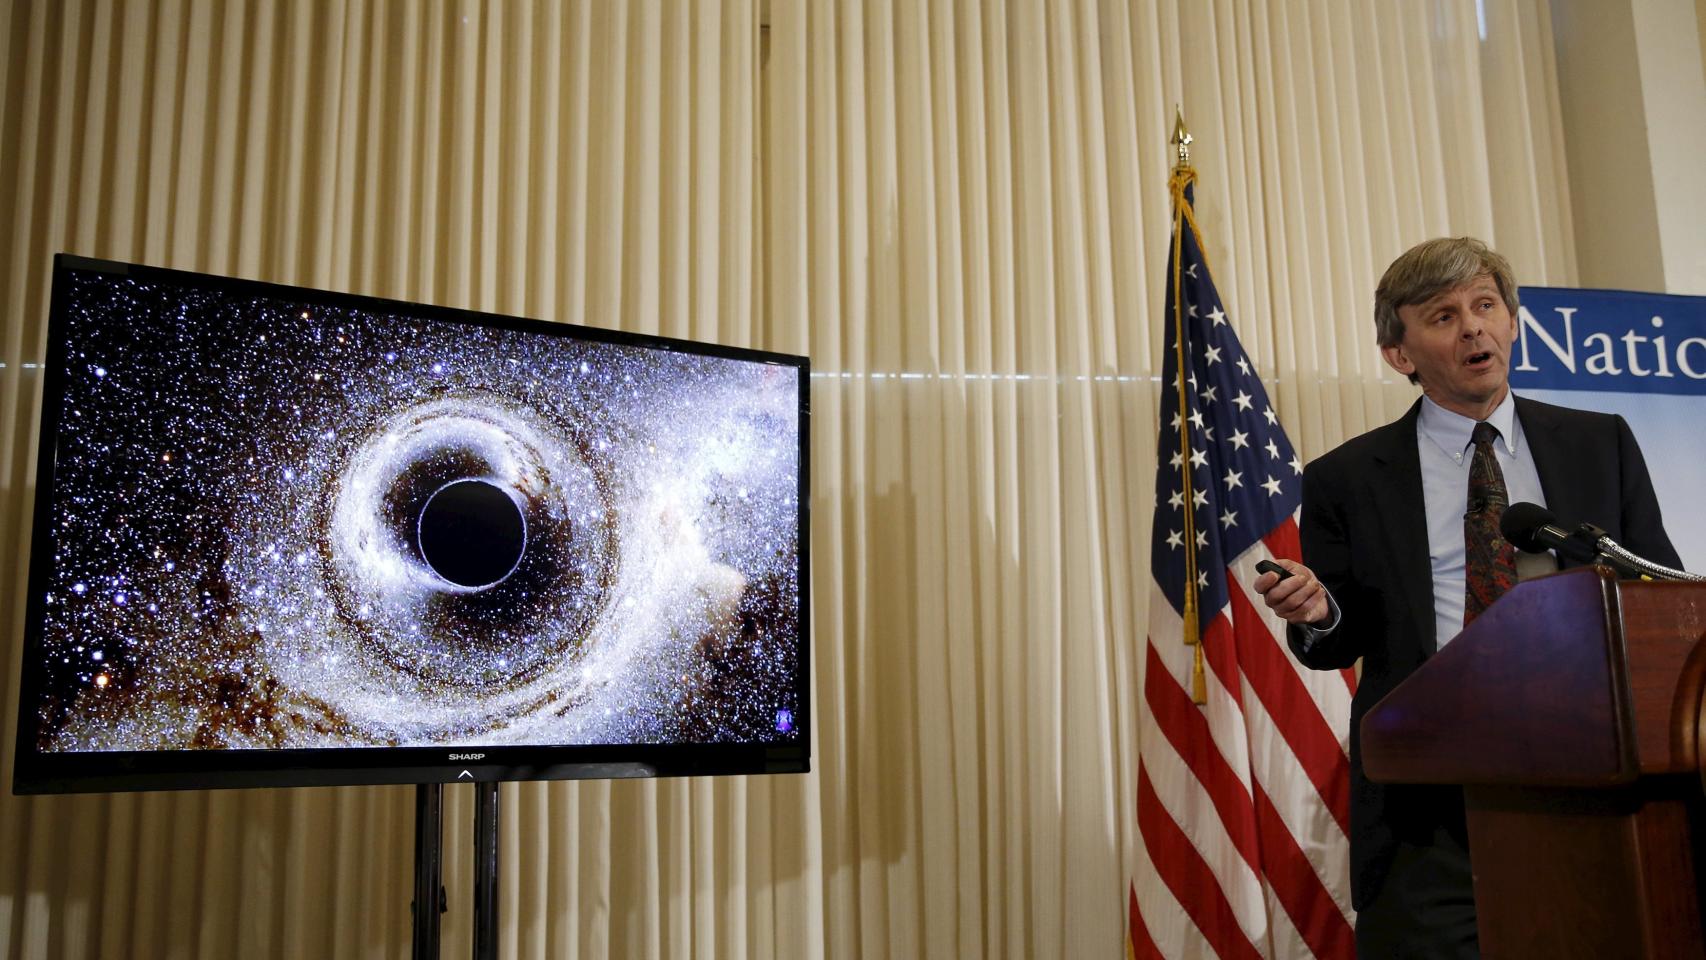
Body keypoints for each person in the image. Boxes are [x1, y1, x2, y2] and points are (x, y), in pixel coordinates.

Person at [1255, 236, 1679, 958]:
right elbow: (1340, 632)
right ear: (1401, 353)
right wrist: (1320, 611)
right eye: (1444, 316)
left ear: (1513, 322)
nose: (1474, 327)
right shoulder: (1348, 478)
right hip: (1431, 804)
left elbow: (1658, 591)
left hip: (1594, 778)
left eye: (1486, 306)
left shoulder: (1597, 442)